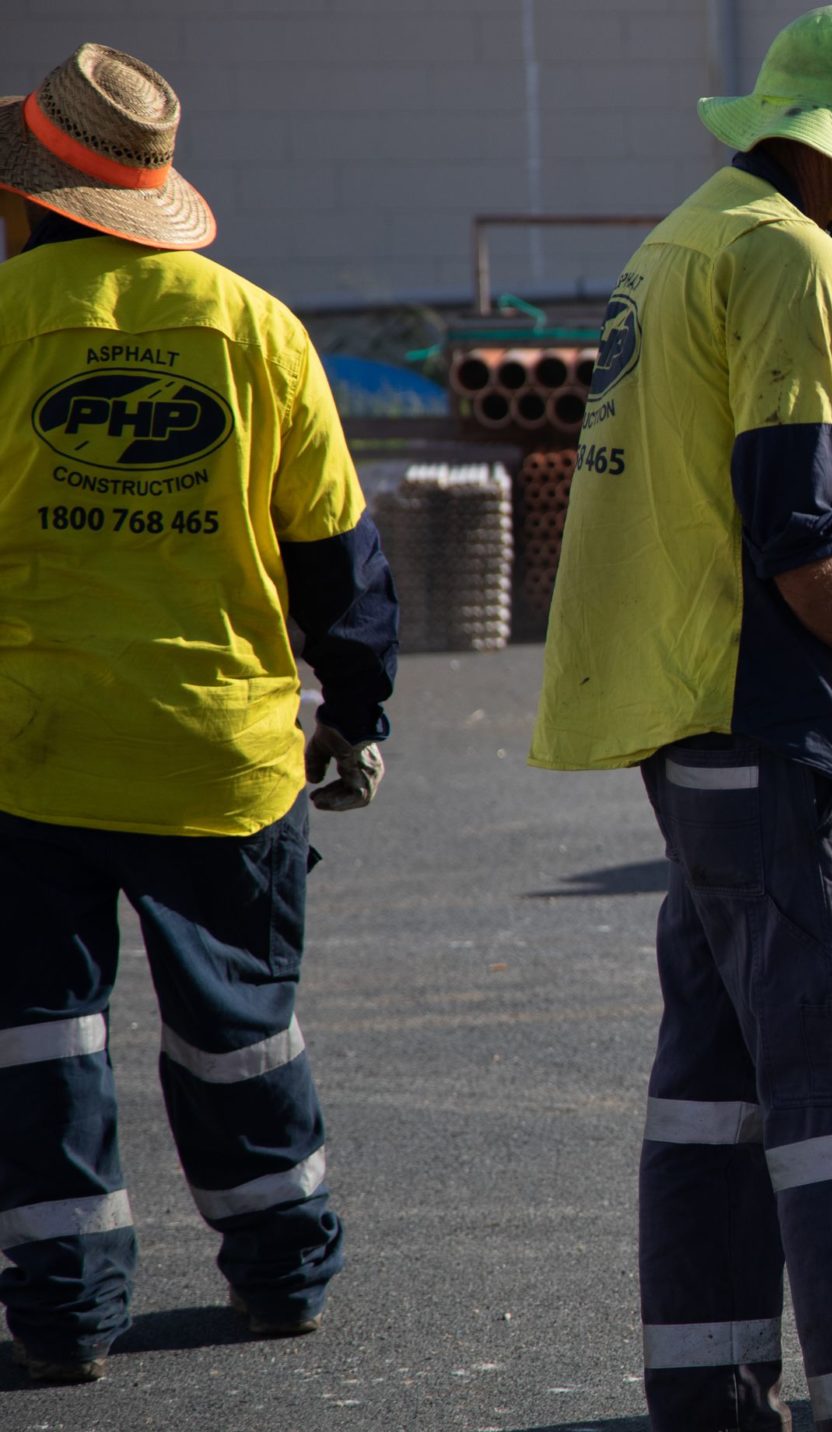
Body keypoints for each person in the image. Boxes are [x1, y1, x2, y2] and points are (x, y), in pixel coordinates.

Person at [527, 8, 832, 1428]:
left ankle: (711, 1395)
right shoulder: (791, 255)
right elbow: (800, 535)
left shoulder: (689, 234)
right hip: (762, 702)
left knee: (721, 1076)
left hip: (684, 708)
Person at [0, 44, 397, 1383]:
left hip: (29, 751)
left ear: (33, 195)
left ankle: (62, 1312)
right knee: (241, 1030)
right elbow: (338, 550)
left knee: (39, 1040)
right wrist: (358, 707)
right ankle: (281, 1275)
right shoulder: (256, 327)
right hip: (218, 754)